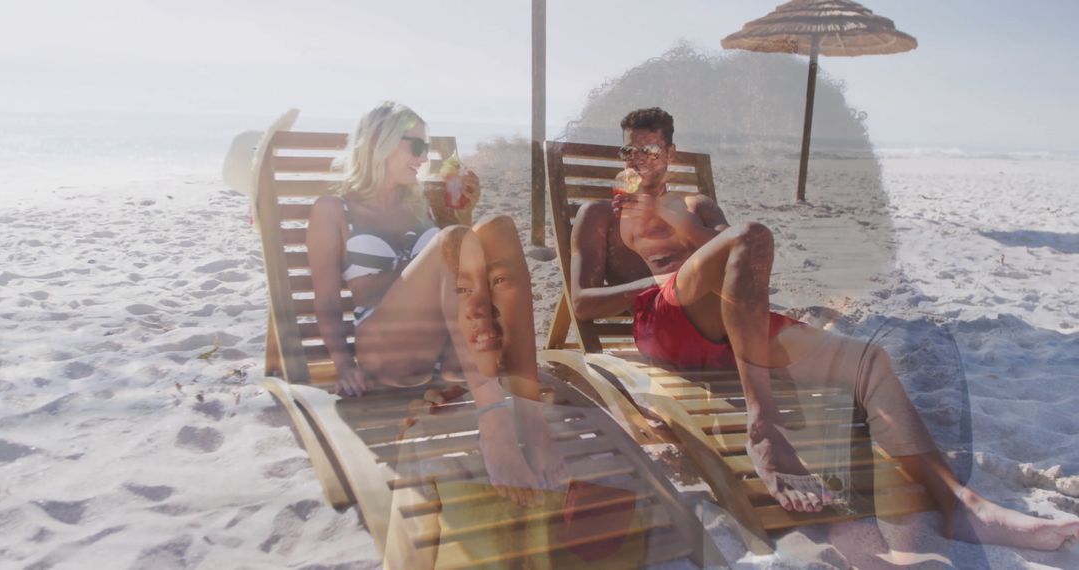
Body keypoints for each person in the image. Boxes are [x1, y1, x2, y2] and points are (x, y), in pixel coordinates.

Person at [568, 106, 1079, 550]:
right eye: (630, 153)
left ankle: (962, 505)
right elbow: (583, 304)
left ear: (671, 154)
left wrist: (680, 222)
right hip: (665, 325)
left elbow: (745, 262)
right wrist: (663, 278)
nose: (638, 162)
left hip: (733, 329)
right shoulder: (598, 215)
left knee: (869, 362)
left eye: (650, 151)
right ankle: (764, 424)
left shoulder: (696, 208)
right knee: (750, 233)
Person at [307, 101, 562, 507]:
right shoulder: (333, 209)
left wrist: (465, 213)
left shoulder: (421, 204)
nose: (424, 158)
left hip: (441, 348)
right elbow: (324, 299)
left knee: (499, 228)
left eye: (426, 148)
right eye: (415, 146)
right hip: (386, 347)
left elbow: (459, 273)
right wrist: (342, 364)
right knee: (451, 238)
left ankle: (530, 420)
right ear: (378, 143)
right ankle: (494, 422)